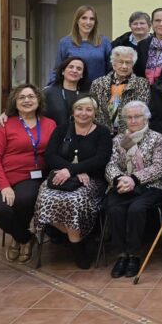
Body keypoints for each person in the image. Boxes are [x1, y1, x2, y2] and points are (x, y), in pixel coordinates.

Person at [0, 84, 57, 263]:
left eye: (31, 96)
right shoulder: (4, 124)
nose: (27, 100)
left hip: (29, 176)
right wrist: (4, 186)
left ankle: (16, 238)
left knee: (25, 199)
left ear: (38, 100)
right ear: (14, 102)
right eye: (22, 97)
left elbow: (55, 152)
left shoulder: (50, 124)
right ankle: (25, 238)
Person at [36, 95, 112, 268]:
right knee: (45, 198)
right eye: (79, 109)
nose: (83, 113)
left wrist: (72, 170)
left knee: (74, 201)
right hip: (60, 178)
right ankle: (78, 241)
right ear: (73, 111)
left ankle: (77, 248)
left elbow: (101, 159)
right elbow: (50, 156)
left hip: (91, 180)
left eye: (88, 109)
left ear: (95, 113)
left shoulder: (102, 132)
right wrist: (70, 170)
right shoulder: (62, 130)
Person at [104, 101, 162, 279]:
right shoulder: (118, 140)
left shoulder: (156, 138)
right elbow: (111, 164)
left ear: (146, 117)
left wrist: (134, 179)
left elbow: (159, 167)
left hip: (150, 186)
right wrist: (119, 179)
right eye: (129, 117)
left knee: (136, 209)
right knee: (115, 209)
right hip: (121, 185)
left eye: (137, 116)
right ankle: (121, 255)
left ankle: (134, 256)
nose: (133, 120)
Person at [91, 46, 150, 135]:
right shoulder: (98, 83)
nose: (124, 66)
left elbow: (141, 111)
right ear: (113, 64)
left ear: (133, 64)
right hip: (102, 133)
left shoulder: (142, 83)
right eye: (120, 62)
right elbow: (93, 110)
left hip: (130, 134)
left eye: (128, 62)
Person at [50, 5, 112, 84]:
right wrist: (50, 88)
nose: (88, 22)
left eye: (92, 19)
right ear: (77, 20)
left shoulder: (104, 41)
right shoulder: (65, 42)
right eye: (84, 18)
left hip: (98, 92)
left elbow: (111, 69)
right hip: (73, 91)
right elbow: (58, 70)